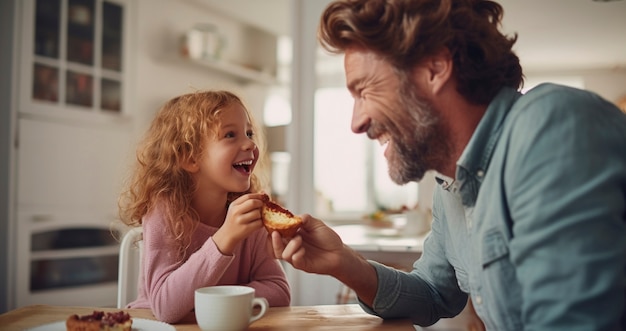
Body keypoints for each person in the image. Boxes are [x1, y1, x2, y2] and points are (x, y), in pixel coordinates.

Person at [271, 0, 626, 330]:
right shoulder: (452, 185)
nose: (356, 122)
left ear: (435, 67)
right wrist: (344, 263)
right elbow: (432, 292)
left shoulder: (551, 129)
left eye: (365, 90)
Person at [118, 90, 290, 323]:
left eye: (249, 133)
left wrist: (221, 300)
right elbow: (166, 308)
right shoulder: (165, 212)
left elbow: (280, 290)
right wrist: (224, 238)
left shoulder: (248, 213)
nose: (250, 143)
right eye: (231, 134)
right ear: (190, 158)